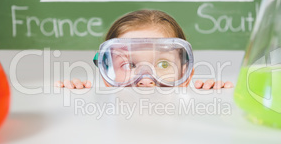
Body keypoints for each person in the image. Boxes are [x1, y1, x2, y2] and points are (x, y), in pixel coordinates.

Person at [55, 9, 234, 89]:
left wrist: (213, 94)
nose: (146, 79)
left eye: (164, 64)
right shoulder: (103, 112)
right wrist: (74, 95)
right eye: (130, 65)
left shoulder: (192, 106)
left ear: (186, 76)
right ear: (107, 74)